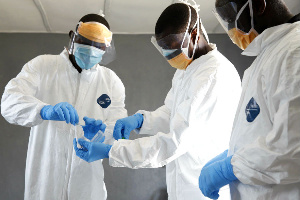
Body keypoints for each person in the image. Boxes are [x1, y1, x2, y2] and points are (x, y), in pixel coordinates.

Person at [74, 2, 241, 199]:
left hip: (203, 190)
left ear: (194, 36)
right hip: (182, 186)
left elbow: (174, 142)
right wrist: (141, 120)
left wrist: (112, 151)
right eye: (164, 48)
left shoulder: (212, 75)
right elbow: (171, 113)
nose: (169, 54)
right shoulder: (187, 70)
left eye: (172, 47)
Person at [1, 14, 127, 200]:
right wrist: (44, 110)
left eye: (98, 46)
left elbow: (116, 131)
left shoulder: (111, 82)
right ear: (72, 37)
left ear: (106, 48)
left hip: (87, 187)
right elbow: (9, 102)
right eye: (87, 42)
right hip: (45, 183)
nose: (92, 51)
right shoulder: (43, 66)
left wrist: (100, 136)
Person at [198, 0, 300, 199]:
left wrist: (232, 166)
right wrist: (235, 152)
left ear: (259, 6)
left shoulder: (293, 51)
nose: (230, 28)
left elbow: (293, 149)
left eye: (230, 18)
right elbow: (265, 129)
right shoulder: (269, 56)